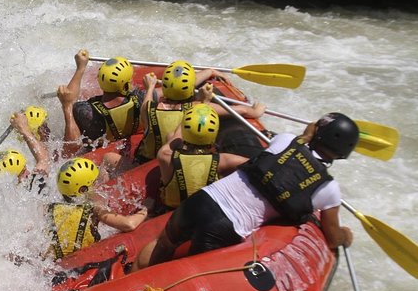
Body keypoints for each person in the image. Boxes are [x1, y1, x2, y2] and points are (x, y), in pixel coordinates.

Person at [133, 112, 359, 271]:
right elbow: (332, 238)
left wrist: (306, 136)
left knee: (163, 244)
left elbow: (290, 156)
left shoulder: (285, 140)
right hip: (226, 226)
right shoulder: (328, 189)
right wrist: (346, 236)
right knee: (182, 274)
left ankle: (130, 281)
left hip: (203, 200)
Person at [46, 157, 148, 259]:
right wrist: (146, 210)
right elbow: (129, 224)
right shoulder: (95, 209)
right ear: (83, 190)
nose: (101, 183)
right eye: (96, 181)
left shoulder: (54, 208)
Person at [157, 103, 250, 210]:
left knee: (170, 135)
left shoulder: (164, 156)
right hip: (204, 212)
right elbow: (257, 163)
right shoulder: (224, 160)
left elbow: (177, 137)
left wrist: (194, 109)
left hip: (168, 209)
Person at [57, 50, 147, 157]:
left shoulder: (86, 112)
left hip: (98, 148)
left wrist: (80, 68)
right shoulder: (143, 98)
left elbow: (69, 149)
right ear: (126, 85)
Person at [0, 109, 51, 194]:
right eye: (23, 171)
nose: (29, 173)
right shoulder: (30, 192)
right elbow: (44, 160)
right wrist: (23, 129)